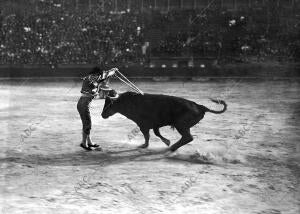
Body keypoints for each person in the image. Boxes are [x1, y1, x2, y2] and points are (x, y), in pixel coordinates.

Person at [77, 66, 118, 151]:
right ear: (95, 74)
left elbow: (102, 77)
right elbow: (101, 78)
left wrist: (111, 72)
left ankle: (89, 142)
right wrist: (111, 72)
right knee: (87, 124)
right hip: (83, 104)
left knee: (86, 124)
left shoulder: (91, 77)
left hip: (83, 103)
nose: (99, 76)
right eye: (98, 75)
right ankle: (84, 143)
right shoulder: (92, 78)